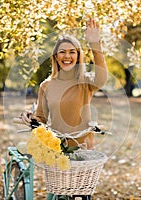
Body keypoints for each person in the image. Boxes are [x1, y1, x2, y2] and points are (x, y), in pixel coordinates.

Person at [21, 18, 107, 150]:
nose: (67, 56)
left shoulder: (85, 82)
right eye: (62, 52)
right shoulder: (46, 85)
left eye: (72, 52)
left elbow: (102, 79)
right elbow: (41, 118)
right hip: (56, 150)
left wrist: (95, 45)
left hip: (83, 149)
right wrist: (29, 117)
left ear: (78, 56)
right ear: (55, 57)